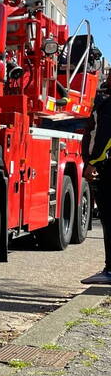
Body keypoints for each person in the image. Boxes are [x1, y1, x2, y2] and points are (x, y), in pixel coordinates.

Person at [82, 82, 111, 283]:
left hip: (107, 168)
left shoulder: (108, 105)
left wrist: (93, 162)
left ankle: (110, 270)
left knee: (109, 220)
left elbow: (104, 136)